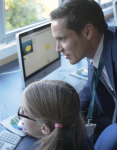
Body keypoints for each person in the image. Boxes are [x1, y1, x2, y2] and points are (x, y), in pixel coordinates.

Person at [50, 0, 117, 145]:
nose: (58, 48)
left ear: (88, 32)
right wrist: (57, 118)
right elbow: (91, 87)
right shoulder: (95, 48)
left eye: (62, 39)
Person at [18, 80, 94, 150]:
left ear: (44, 129)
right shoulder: (77, 133)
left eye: (24, 112)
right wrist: (42, 135)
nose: (21, 113)